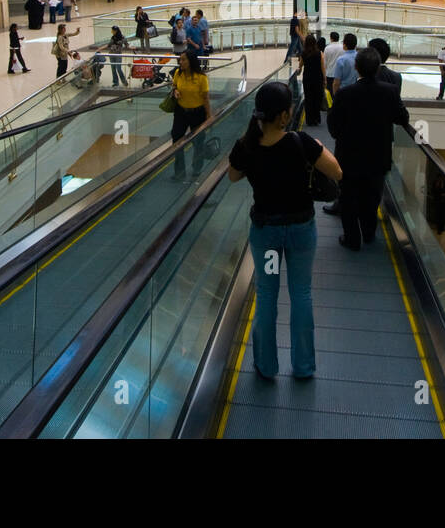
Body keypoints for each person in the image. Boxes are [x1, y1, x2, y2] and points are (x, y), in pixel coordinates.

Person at [228, 81, 342, 380]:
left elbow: (233, 176)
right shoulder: (300, 142)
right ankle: (303, 366)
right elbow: (337, 172)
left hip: (266, 231)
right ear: (282, 116)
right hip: (301, 230)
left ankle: (266, 365)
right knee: (301, 293)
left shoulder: (246, 145)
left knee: (266, 295)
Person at [327, 48, 409, 250]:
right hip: (377, 157)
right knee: (372, 197)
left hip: (349, 156)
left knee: (348, 197)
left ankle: (352, 239)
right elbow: (402, 118)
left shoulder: (345, 93)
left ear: (357, 67)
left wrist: (342, 137)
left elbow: (333, 126)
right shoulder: (389, 91)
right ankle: (369, 233)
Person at [169, 49, 211, 180]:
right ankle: (179, 172)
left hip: (197, 113)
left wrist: (209, 116)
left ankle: (197, 169)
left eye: (183, 59)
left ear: (191, 61)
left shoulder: (201, 78)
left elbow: (205, 98)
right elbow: (174, 85)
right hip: (181, 112)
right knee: (177, 141)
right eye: (180, 59)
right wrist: (175, 91)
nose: (180, 62)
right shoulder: (178, 73)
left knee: (198, 143)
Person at [301, 34, 327, 125]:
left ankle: (309, 120)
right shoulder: (320, 53)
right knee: (317, 98)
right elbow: (322, 67)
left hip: (307, 78)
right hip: (317, 78)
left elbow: (300, 66)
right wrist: (324, 79)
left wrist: (298, 71)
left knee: (308, 98)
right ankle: (316, 119)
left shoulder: (303, 53)